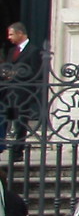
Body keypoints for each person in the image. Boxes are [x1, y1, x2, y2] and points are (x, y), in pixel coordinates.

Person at [0, 23, 40, 154]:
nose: (9, 37)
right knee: (7, 119)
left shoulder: (33, 50)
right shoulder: (12, 51)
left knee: (20, 122)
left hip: (23, 93)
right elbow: (7, 67)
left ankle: (18, 150)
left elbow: (35, 72)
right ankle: (6, 144)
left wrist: (15, 74)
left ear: (20, 34)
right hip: (9, 92)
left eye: (11, 34)